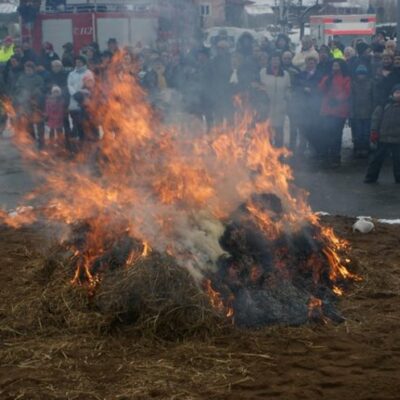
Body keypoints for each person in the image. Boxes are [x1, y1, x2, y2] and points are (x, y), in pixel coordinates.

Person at [364, 84, 400, 184]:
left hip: (398, 139)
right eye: (397, 92)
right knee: (376, 160)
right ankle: (370, 178)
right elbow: (375, 119)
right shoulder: (384, 105)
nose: (399, 95)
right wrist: (374, 132)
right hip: (383, 137)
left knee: (399, 161)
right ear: (392, 94)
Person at [319, 59, 351, 167]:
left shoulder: (346, 78)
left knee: (336, 135)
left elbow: (347, 92)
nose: (335, 67)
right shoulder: (327, 77)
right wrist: (327, 79)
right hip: (327, 110)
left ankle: (335, 157)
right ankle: (327, 156)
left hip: (339, 111)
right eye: (334, 65)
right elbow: (321, 89)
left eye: (337, 65)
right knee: (327, 134)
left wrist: (337, 99)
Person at [259, 52, 291, 147]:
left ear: (280, 61)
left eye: (277, 60)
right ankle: (267, 152)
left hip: (280, 107)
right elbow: (259, 87)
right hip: (267, 107)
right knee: (267, 130)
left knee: (279, 132)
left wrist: (288, 97)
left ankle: (278, 154)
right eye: (273, 59)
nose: (275, 62)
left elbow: (288, 88)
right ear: (270, 61)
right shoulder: (263, 72)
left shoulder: (285, 74)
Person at [295, 55, 324, 158]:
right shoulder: (300, 75)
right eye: (308, 62)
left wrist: (312, 91)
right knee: (302, 129)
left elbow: (322, 89)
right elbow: (296, 87)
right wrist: (302, 90)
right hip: (302, 107)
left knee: (313, 129)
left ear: (315, 64)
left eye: (312, 63)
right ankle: (301, 151)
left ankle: (314, 151)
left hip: (314, 107)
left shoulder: (320, 75)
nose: (310, 64)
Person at [14, 61, 45, 149]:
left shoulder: (38, 78)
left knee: (39, 123)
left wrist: (35, 92)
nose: (28, 71)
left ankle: (41, 142)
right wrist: (22, 93)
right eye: (26, 69)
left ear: (33, 69)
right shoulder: (21, 78)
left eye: (29, 69)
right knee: (29, 123)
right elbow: (18, 88)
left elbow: (42, 87)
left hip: (37, 105)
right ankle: (32, 140)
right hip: (26, 104)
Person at [67, 56, 94, 142]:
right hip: (74, 100)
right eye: (77, 62)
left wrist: (83, 92)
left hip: (85, 100)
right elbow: (69, 85)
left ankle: (87, 140)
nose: (78, 64)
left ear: (83, 63)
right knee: (76, 122)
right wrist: (74, 93)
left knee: (85, 122)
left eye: (79, 62)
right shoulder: (72, 74)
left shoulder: (88, 73)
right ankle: (79, 140)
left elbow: (90, 84)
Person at [351, 65, 374, 158]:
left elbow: (373, 97)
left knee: (366, 132)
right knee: (358, 132)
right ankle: (358, 148)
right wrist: (351, 112)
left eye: (363, 74)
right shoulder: (353, 84)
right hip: (356, 112)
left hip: (368, 111)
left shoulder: (371, 83)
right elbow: (351, 98)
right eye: (359, 74)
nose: (361, 76)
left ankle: (366, 148)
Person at [281, 51, 301, 153]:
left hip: (293, 101)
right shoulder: (278, 70)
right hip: (280, 101)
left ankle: (292, 146)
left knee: (293, 124)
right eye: (285, 58)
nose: (287, 60)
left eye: (289, 58)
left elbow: (299, 85)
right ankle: (279, 145)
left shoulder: (296, 70)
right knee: (279, 124)